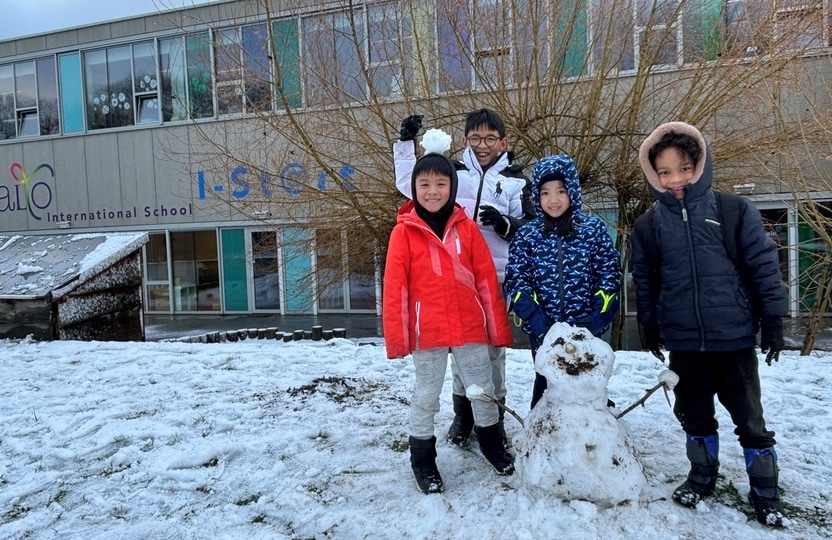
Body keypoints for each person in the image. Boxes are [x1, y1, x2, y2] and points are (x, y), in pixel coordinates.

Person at [630, 121, 788, 527]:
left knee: (750, 419)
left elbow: (764, 268)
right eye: (664, 172)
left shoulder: (733, 211)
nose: (675, 179)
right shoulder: (649, 225)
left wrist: (772, 319)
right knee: (694, 415)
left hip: (732, 338)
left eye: (683, 168)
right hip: (684, 342)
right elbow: (646, 281)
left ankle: (765, 490)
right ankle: (702, 475)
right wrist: (649, 323)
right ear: (654, 175)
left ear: (699, 165)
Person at [394, 108, 535, 448]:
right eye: (475, 138)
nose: (483, 145)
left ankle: (493, 416)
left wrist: (506, 225)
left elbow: (532, 229)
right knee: (462, 352)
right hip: (452, 279)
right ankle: (464, 414)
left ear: (504, 142)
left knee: (490, 355)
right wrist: (405, 143)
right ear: (464, 141)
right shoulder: (454, 172)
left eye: (490, 139)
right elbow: (411, 184)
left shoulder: (516, 181)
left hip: (495, 277)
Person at [382, 147, 516, 495]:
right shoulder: (404, 233)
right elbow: (395, 289)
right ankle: (423, 458)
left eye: (441, 184)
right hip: (427, 331)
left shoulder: (467, 229)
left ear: (452, 188)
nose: (432, 191)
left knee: (483, 389)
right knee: (426, 394)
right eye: (424, 184)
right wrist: (398, 339)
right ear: (414, 188)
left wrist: (497, 328)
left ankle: (491, 444)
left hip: (469, 325)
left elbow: (486, 280)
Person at [503, 154, 621, 409]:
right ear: (537, 196)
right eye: (545, 193)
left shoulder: (592, 230)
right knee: (548, 380)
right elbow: (518, 278)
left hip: (586, 325)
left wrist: (600, 314)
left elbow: (608, 272)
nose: (553, 200)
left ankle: (596, 431)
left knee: (588, 379)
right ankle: (543, 434)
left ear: (573, 192)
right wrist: (534, 318)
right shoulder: (528, 236)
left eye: (561, 191)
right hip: (543, 327)